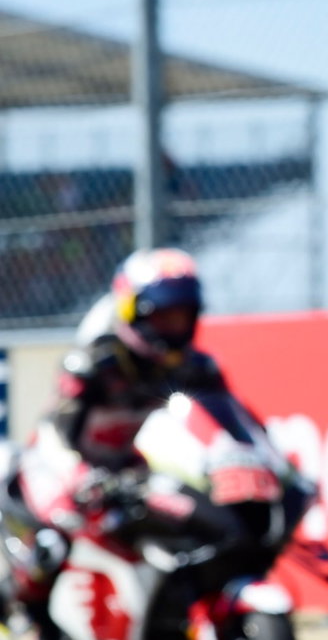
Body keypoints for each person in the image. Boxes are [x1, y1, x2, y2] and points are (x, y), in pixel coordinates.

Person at [2, 248, 225, 636]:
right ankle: (22, 613)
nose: (173, 326)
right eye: (163, 315)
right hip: (62, 468)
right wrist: (81, 477)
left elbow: (220, 426)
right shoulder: (95, 362)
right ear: (132, 312)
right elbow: (55, 434)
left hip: (128, 474)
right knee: (53, 537)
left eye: (182, 315)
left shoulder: (197, 369)